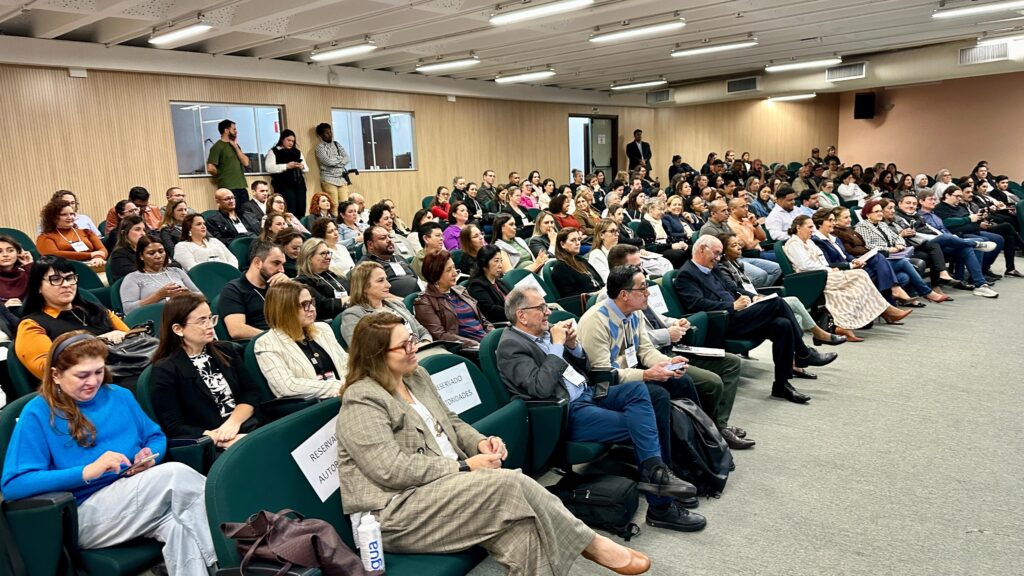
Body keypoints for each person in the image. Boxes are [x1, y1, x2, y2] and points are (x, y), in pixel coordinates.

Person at [337, 312, 651, 575]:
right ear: (377, 356)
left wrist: (480, 444)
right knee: (508, 484)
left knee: (520, 527)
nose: (413, 348)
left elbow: (454, 423)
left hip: (444, 490)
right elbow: (390, 471)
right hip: (395, 513)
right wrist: (464, 466)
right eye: (403, 345)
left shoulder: (415, 376)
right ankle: (591, 543)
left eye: (412, 339)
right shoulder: (363, 399)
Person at [0, 331, 218, 576]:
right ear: (56, 375)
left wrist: (150, 456)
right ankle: (231, 559)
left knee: (180, 526)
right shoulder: (38, 412)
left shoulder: (119, 395)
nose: (93, 382)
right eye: (82, 375)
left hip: (135, 496)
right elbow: (14, 485)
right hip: (80, 514)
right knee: (174, 475)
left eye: (98, 372)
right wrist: (86, 472)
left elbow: (155, 436)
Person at [499, 286, 707, 530]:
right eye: (541, 308)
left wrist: (573, 345)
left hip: (588, 393)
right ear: (521, 315)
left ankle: (655, 471)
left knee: (640, 391)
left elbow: (582, 369)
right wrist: (557, 345)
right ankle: (660, 503)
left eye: (547, 306)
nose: (547, 312)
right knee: (642, 425)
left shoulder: (542, 334)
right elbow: (541, 387)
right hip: (567, 412)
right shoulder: (510, 346)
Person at [600, 245, 753, 448]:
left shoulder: (640, 289)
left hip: (667, 350)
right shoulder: (611, 299)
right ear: (619, 271)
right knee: (711, 382)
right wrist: (667, 335)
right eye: (635, 266)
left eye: (641, 265)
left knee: (731, 362)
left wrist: (675, 323)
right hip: (649, 359)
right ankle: (711, 430)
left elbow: (656, 318)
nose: (642, 271)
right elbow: (634, 344)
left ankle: (716, 426)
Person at [672, 236, 838, 403]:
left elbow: (733, 288)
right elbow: (695, 304)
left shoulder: (714, 267)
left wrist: (755, 297)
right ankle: (803, 352)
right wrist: (732, 306)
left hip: (739, 315)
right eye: (715, 253)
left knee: (783, 325)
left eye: (720, 254)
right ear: (701, 249)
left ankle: (782, 384)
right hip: (721, 322)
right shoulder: (686, 274)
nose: (718, 257)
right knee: (777, 303)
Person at [151, 293, 261, 447]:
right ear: (178, 329)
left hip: (247, 425)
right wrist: (217, 438)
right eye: (202, 321)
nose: (210, 325)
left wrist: (233, 422)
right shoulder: (165, 370)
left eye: (210, 318)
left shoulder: (226, 350)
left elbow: (251, 392)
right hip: (210, 443)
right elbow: (174, 426)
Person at [786, 215, 912, 336]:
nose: (812, 230)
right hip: (810, 278)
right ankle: (885, 310)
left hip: (823, 273)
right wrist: (829, 270)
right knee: (859, 276)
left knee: (860, 275)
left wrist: (830, 268)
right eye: (809, 227)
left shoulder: (809, 243)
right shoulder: (794, 244)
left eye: (813, 226)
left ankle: (848, 324)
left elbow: (822, 261)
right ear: (798, 227)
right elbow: (805, 265)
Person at [717, 234, 845, 346]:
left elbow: (745, 285)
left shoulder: (736, 263)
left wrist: (756, 295)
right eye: (734, 245)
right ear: (723, 250)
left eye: (738, 244)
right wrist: (754, 296)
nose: (739, 247)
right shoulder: (722, 268)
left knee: (796, 317)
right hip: (745, 303)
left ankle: (796, 358)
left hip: (754, 297)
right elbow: (734, 288)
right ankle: (818, 335)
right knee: (793, 302)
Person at [16, 256, 131, 379]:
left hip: (130, 367)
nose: (66, 285)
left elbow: (133, 339)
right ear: (38, 287)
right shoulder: (32, 324)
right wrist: (96, 342)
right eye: (55, 279)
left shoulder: (96, 310)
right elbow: (47, 370)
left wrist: (124, 335)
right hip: (87, 385)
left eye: (70, 278)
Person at [254, 279, 348, 399]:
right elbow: (287, 387)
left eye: (311, 302)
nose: (312, 309)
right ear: (284, 310)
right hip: (315, 407)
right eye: (304, 305)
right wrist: (341, 386)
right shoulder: (266, 343)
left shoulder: (323, 329)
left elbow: (346, 363)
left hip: (345, 396)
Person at [902, 193, 997, 298]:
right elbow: (915, 234)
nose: (911, 205)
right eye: (908, 203)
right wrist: (947, 237)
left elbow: (934, 230)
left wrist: (951, 238)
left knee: (965, 248)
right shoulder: (900, 217)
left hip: (936, 243)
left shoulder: (918, 216)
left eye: (913, 203)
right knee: (950, 238)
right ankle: (975, 243)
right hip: (921, 244)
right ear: (900, 204)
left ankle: (980, 284)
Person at [855, 199, 951, 304]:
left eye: (880, 211)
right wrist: (889, 249)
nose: (880, 213)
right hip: (879, 259)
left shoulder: (882, 225)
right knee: (905, 262)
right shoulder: (862, 226)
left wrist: (899, 244)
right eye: (876, 211)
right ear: (868, 214)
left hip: (893, 255)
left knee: (907, 272)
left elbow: (897, 237)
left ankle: (910, 296)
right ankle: (927, 292)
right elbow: (868, 245)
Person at [932, 187, 1019, 279]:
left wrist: (979, 219)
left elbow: (970, 218)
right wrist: (968, 219)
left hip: (974, 230)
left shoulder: (960, 207)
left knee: (999, 239)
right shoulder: (940, 208)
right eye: (957, 196)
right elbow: (946, 222)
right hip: (959, 233)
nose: (959, 199)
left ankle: (984, 268)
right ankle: (976, 275)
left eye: (960, 197)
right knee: (985, 240)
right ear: (947, 195)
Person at [340, 262, 432, 348]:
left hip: (420, 350)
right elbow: (364, 352)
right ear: (363, 287)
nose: (388, 285)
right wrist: (406, 350)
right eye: (381, 280)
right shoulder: (353, 315)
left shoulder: (397, 304)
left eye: (386, 279)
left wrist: (425, 342)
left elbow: (422, 331)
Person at [414, 250, 493, 348]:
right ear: (436, 275)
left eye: (454, 267)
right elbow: (440, 335)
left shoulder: (461, 291)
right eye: (449, 270)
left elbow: (483, 321)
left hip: (486, 343)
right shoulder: (424, 303)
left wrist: (493, 336)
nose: (455, 273)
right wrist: (476, 345)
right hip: (467, 349)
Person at [702, 199, 780, 287]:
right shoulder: (708, 229)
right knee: (761, 275)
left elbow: (739, 243)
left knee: (777, 269)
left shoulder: (724, 224)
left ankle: (760, 290)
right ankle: (751, 294)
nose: (727, 213)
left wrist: (736, 244)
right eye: (723, 211)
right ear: (713, 214)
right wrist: (754, 240)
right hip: (726, 262)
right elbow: (724, 249)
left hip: (738, 257)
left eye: (727, 210)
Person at [219, 241, 287, 339]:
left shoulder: (278, 285)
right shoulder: (233, 290)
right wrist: (274, 338)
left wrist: (291, 288)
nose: (282, 270)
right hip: (262, 344)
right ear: (257, 262)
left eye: (283, 264)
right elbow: (236, 330)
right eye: (276, 263)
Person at [121, 236, 200, 314]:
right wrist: (158, 296)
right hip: (155, 318)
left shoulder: (177, 271)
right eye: (151, 253)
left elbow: (202, 296)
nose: (158, 256)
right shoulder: (132, 278)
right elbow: (128, 309)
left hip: (186, 314)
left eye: (161, 251)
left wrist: (189, 294)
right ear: (141, 256)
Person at [37, 199, 107, 269]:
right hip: (64, 270)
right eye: (64, 214)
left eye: (72, 214)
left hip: (93, 266)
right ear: (53, 218)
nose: (70, 217)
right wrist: (90, 255)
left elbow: (101, 249)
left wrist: (98, 257)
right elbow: (53, 255)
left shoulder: (86, 232)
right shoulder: (45, 237)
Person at [294, 238, 349, 321]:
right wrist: (351, 299)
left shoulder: (335, 273)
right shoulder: (302, 281)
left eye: (328, 253)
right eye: (323, 253)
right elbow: (323, 305)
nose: (328, 257)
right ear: (309, 257)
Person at [357, 226, 420, 296]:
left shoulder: (399, 258)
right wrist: (404, 301)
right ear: (370, 245)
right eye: (383, 238)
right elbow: (371, 294)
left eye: (389, 236)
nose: (389, 240)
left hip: (419, 298)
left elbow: (417, 278)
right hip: (396, 303)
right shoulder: (366, 265)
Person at [550, 227, 604, 299]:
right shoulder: (560, 267)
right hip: (588, 304)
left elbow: (600, 282)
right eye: (573, 240)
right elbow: (571, 297)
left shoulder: (581, 260)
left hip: (600, 296)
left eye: (579, 239)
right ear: (562, 244)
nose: (578, 243)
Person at [266, 129, 309, 217]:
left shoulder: (297, 152)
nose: (291, 143)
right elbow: (269, 168)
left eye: (293, 141)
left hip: (299, 184)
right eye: (288, 140)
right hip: (283, 185)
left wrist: (302, 166)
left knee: (301, 208)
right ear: (282, 139)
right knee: (290, 209)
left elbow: (306, 168)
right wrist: (286, 166)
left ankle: (300, 228)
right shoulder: (274, 151)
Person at [173, 213, 238, 271]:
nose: (203, 226)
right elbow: (192, 268)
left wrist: (229, 270)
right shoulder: (182, 246)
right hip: (204, 278)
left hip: (226, 273)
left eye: (204, 224)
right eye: (199, 224)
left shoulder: (214, 241)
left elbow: (232, 259)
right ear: (189, 228)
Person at [207, 118, 251, 204]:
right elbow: (210, 168)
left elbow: (246, 162)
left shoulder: (235, 145)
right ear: (226, 130)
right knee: (232, 212)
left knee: (246, 212)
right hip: (228, 187)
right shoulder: (217, 147)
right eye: (234, 129)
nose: (236, 131)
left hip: (241, 185)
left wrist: (235, 146)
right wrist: (222, 174)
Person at [637, 198, 688, 268]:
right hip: (655, 250)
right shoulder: (645, 224)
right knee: (678, 254)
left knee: (689, 249)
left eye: (663, 209)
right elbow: (650, 246)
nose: (662, 212)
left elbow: (669, 237)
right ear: (650, 209)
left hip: (665, 246)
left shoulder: (661, 222)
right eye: (659, 209)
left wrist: (679, 243)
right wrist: (671, 246)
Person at [466, 245, 512, 323]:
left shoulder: (500, 282)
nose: (500, 265)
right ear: (484, 264)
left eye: (501, 261)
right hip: (502, 324)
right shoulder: (476, 287)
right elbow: (492, 311)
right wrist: (516, 312)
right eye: (496, 261)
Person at [314, 122, 351, 205]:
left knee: (345, 205)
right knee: (334, 206)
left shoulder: (336, 144)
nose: (330, 134)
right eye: (326, 133)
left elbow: (347, 158)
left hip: (341, 179)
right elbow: (328, 162)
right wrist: (340, 159)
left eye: (330, 132)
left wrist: (336, 161)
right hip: (329, 179)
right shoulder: (320, 148)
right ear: (321, 135)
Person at [107, 216, 147, 284]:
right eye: (137, 229)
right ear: (124, 233)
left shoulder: (147, 249)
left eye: (144, 230)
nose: (143, 233)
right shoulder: (119, 254)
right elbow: (137, 274)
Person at [0, 234, 33, 309]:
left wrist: (29, 265)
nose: (5, 255)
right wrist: (3, 308)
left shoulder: (26, 273)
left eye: (10, 250)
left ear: (18, 252)